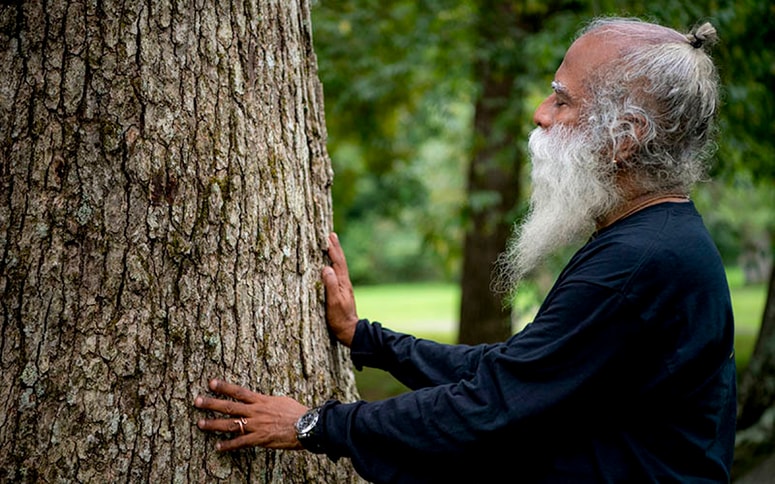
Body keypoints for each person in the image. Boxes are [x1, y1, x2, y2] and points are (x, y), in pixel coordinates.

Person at [194, 17, 736, 483]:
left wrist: (314, 425)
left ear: (626, 136)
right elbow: (518, 370)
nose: (540, 114)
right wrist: (367, 340)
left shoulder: (640, 261)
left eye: (563, 99)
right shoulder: (654, 237)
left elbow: (493, 403)